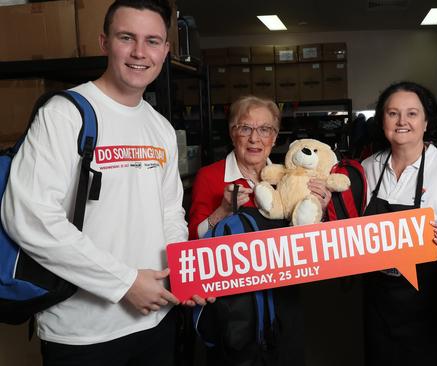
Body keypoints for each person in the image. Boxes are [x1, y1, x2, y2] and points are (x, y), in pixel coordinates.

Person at [1, 1, 187, 365]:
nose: (139, 52)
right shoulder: (64, 114)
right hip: (82, 334)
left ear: (165, 50)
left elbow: (169, 210)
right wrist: (125, 283)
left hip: (157, 319)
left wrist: (181, 274)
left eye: (152, 41)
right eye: (126, 37)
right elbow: (28, 217)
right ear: (104, 42)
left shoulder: (160, 127)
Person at [187, 95, 332, 366]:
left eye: (265, 129)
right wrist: (222, 213)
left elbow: (306, 242)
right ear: (233, 134)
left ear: (275, 138)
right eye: (245, 128)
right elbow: (194, 242)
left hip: (283, 296)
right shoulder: (211, 176)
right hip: (234, 305)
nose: (255, 138)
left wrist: (319, 211)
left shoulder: (289, 178)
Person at [361, 81, 437, 365]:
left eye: (412, 114)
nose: (402, 121)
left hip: (432, 308)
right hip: (378, 304)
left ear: (427, 122)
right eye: (393, 114)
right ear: (382, 121)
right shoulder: (366, 169)